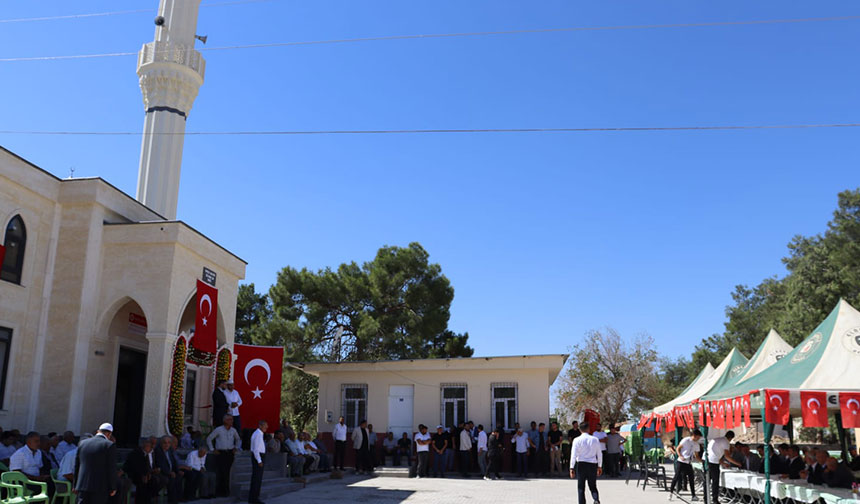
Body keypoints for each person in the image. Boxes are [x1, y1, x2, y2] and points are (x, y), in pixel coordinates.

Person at [73, 423, 118, 504]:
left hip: (82, 485)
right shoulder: (109, 445)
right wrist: (113, 487)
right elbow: (111, 468)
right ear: (109, 434)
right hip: (100, 487)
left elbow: (77, 465)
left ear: (98, 431)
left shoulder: (82, 443)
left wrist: (75, 485)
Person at [206, 414, 242, 497]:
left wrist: (236, 447)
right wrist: (212, 449)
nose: (231, 421)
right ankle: (219, 491)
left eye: (232, 420)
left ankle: (226, 491)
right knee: (220, 472)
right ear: (225, 421)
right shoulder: (219, 429)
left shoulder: (233, 430)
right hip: (220, 453)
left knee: (227, 472)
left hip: (229, 453)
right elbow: (209, 438)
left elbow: (238, 439)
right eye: (229, 420)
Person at [569, 421, 602, 504]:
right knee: (593, 485)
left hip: (581, 464)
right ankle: (596, 499)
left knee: (581, 487)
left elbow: (573, 455)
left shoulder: (576, 440)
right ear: (589, 429)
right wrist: (600, 466)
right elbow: (599, 454)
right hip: (592, 464)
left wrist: (571, 467)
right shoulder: (595, 439)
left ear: (580, 430)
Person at [123, 438, 161, 504]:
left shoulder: (152, 453)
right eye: (147, 446)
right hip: (136, 474)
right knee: (143, 482)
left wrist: (154, 470)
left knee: (154, 480)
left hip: (148, 473)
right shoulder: (136, 453)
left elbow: (153, 465)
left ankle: (150, 500)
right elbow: (134, 467)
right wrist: (143, 474)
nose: (150, 448)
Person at [706, 430, 739, 504]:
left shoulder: (717, 439)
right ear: (731, 438)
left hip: (706, 459)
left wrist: (722, 463)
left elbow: (716, 453)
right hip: (713, 462)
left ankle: (706, 498)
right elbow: (727, 456)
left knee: (707, 480)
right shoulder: (726, 442)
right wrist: (737, 463)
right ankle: (715, 500)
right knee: (715, 481)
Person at [670, 429, 702, 501]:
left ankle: (693, 495)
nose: (698, 439)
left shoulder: (697, 444)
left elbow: (696, 455)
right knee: (676, 476)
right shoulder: (686, 440)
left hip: (688, 462)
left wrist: (701, 461)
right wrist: (680, 455)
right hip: (681, 461)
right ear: (694, 435)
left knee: (691, 478)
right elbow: (678, 448)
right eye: (698, 437)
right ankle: (671, 492)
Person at [154, 436, 183, 504]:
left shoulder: (170, 450)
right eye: (165, 443)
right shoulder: (158, 451)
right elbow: (160, 464)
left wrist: (177, 471)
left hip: (170, 471)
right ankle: (172, 500)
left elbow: (174, 462)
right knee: (171, 479)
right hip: (162, 472)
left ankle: (179, 498)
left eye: (169, 443)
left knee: (179, 476)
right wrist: (169, 472)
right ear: (161, 444)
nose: (167, 444)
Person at [248, 420, 267, 504]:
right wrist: (259, 460)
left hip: (260, 456)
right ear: (260, 426)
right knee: (256, 479)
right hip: (258, 457)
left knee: (258, 479)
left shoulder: (260, 434)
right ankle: (254, 499)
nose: (266, 427)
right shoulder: (258, 434)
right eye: (265, 425)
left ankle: (255, 497)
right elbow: (256, 449)